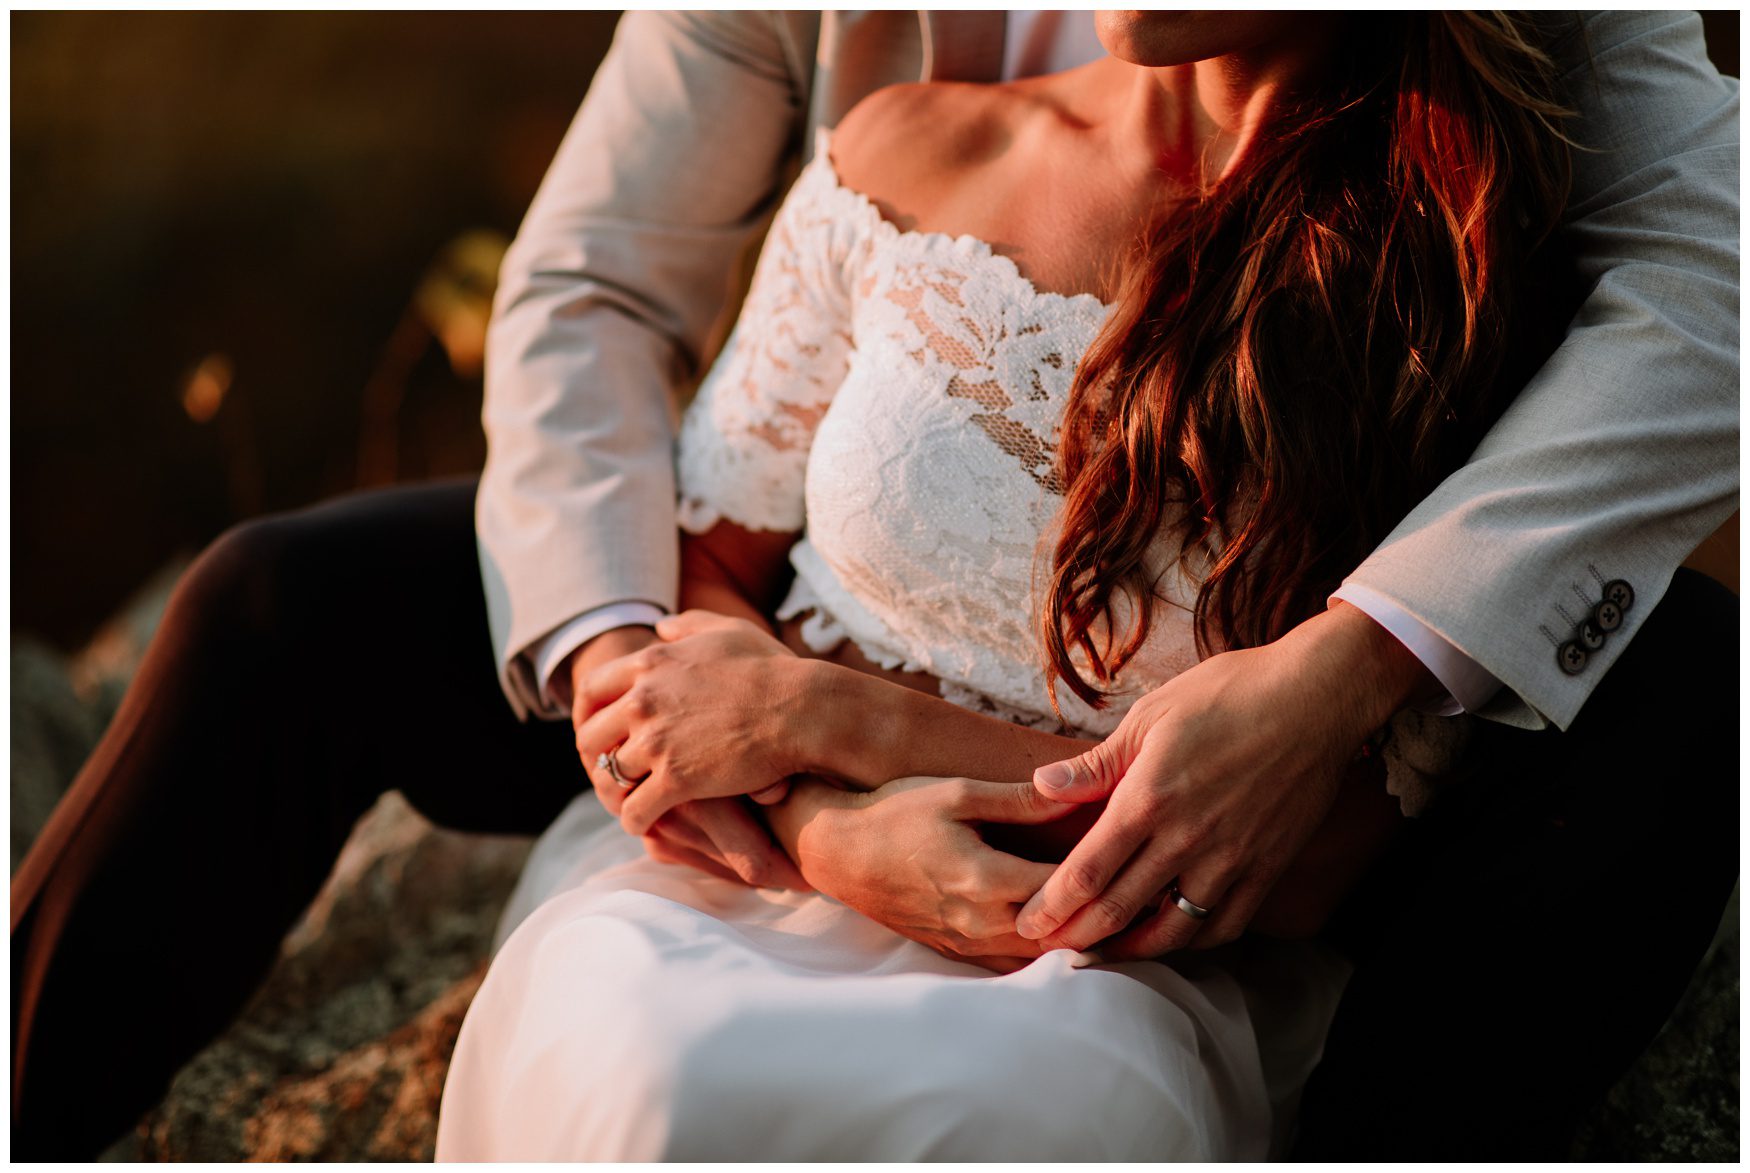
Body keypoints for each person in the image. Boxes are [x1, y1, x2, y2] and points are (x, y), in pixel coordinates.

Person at [8, 9, 1736, 1161]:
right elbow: (589, 284)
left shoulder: (1455, 228)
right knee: (274, 609)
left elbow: (1715, 257)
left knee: (1683, 680)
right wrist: (729, 734)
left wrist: (1356, 661)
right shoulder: (930, 146)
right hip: (777, 644)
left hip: (1155, 819)